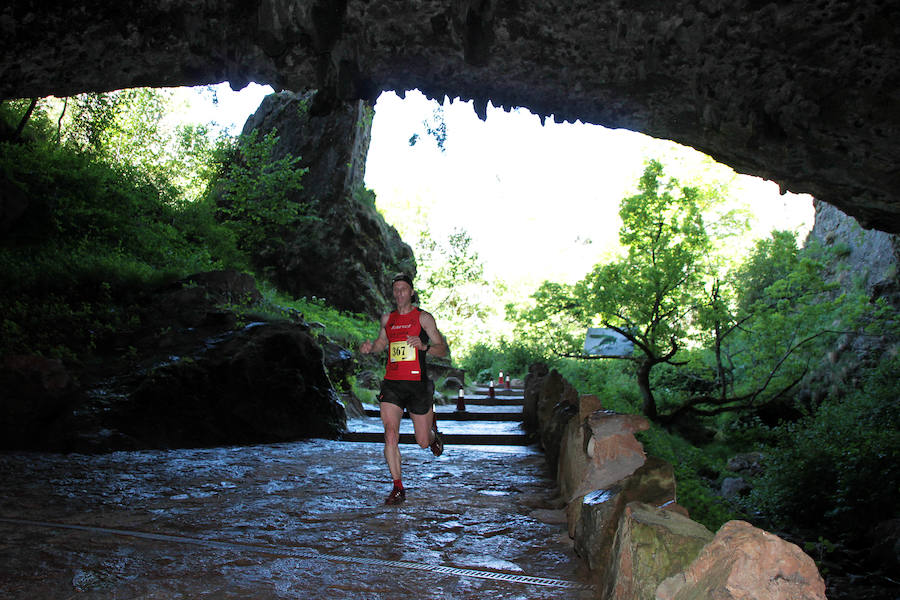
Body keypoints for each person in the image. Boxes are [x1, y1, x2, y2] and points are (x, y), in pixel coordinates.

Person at [360, 273, 449, 505]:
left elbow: (442, 349)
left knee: (422, 441)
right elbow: (382, 342)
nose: (399, 293)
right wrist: (372, 347)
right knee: (390, 434)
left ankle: (433, 433)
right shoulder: (387, 318)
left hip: (417, 385)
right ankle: (398, 487)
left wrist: (425, 346)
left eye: (403, 289)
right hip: (392, 384)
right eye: (395, 289)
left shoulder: (423, 318)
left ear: (411, 292)